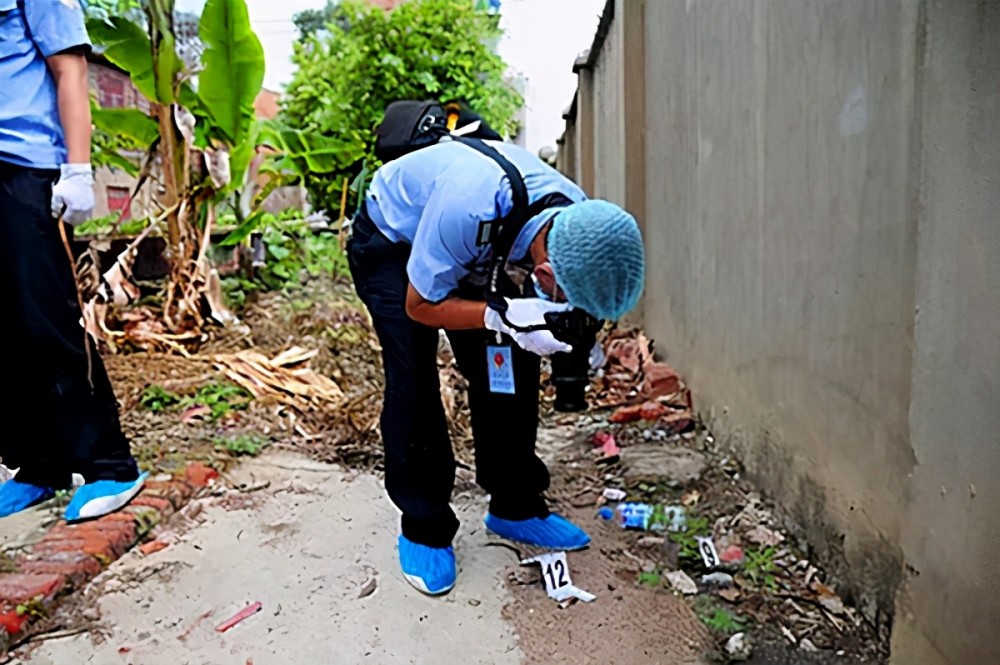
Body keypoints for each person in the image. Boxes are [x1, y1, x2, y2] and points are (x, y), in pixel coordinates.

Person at [347, 136, 645, 595]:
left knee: (507, 364)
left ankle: (515, 503)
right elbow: (422, 304)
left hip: (485, 247)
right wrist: (496, 313)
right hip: (393, 243)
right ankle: (424, 526)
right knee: (414, 375)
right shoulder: (468, 208)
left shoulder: (581, 219)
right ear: (545, 274)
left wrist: (533, 326)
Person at [0, 0, 146, 520]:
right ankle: (38, 465)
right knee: (6, 332)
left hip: (25, 167)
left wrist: (78, 168)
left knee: (48, 323)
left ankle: (110, 464)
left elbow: (70, 68)